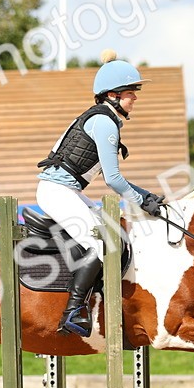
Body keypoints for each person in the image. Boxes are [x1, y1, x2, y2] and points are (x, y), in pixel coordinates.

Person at [35, 49, 164, 337]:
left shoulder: (105, 118)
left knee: (114, 236)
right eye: (131, 92)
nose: (136, 97)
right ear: (114, 95)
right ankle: (72, 311)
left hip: (66, 189)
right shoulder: (104, 122)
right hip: (57, 192)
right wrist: (145, 201)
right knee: (103, 244)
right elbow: (114, 180)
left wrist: (147, 196)